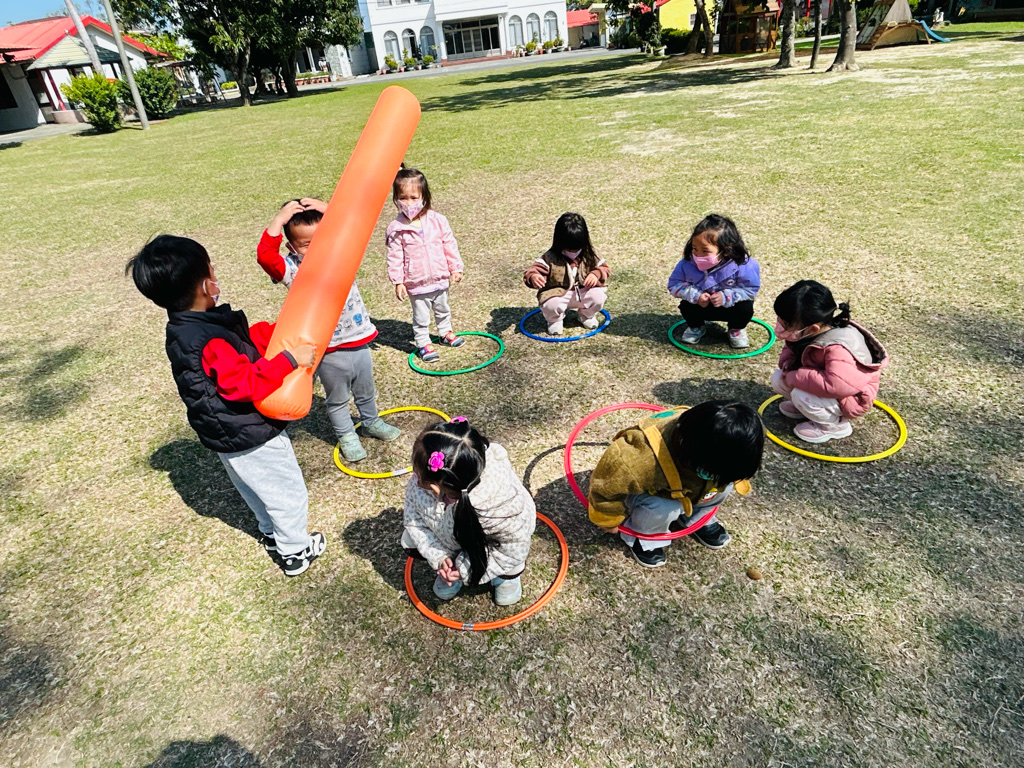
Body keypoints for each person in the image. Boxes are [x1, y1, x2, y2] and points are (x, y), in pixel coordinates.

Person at [126, 235, 326, 576]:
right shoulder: (208, 338)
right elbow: (243, 383)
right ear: (206, 285)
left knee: (254, 486)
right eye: (212, 270)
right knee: (284, 489)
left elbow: (238, 348)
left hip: (223, 431)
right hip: (248, 430)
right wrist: (289, 360)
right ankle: (295, 551)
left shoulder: (185, 327)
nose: (216, 276)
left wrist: (273, 335)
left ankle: (270, 532)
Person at [258, 199, 400, 462]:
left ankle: (371, 422)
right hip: (329, 350)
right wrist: (278, 221)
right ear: (292, 247)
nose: (316, 247)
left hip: (359, 341)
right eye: (306, 244)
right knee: (337, 399)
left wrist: (329, 210)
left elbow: (355, 225)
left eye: (322, 238)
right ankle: (347, 436)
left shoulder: (341, 255)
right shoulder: (292, 269)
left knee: (366, 390)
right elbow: (266, 257)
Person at [588, 401, 763, 568]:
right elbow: (606, 487)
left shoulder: (730, 451)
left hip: (696, 480)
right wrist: (608, 518)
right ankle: (645, 539)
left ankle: (697, 517)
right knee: (663, 508)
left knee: (721, 488)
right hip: (652, 490)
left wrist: (727, 476)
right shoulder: (640, 458)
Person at [402, 419, 536, 606]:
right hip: (450, 540)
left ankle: (506, 578)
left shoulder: (501, 507)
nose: (415, 480)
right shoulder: (425, 482)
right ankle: (451, 568)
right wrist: (439, 556)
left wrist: (465, 570)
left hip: (496, 547)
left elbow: (510, 550)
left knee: (512, 559)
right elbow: (414, 520)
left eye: (419, 476)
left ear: (436, 485)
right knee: (409, 539)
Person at [771, 280, 889, 444]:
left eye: (785, 324)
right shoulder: (804, 333)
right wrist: (788, 365)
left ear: (813, 328)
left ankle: (834, 426)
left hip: (849, 398)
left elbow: (836, 385)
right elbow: (792, 350)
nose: (780, 327)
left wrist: (794, 376)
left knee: (799, 394)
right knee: (778, 378)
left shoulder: (838, 348)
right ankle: (806, 408)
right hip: (820, 385)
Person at [385, 168, 465, 362]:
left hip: (439, 277)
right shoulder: (397, 229)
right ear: (396, 199)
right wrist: (398, 281)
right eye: (403, 198)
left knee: (443, 308)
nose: (409, 203)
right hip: (417, 282)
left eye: (414, 197)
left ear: (424, 197)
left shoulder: (438, 221)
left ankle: (445, 332)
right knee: (421, 317)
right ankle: (423, 343)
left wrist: (455, 267)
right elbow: (395, 257)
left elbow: (449, 244)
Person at [668, 214, 761, 349]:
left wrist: (726, 296)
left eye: (705, 251)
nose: (698, 255)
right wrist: (696, 295)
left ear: (726, 250)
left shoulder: (744, 265)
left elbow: (750, 290)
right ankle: (696, 326)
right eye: (694, 248)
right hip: (701, 305)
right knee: (686, 306)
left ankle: (736, 329)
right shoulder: (687, 263)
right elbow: (673, 284)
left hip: (731, 307)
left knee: (745, 309)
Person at [523, 212, 609, 335]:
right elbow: (534, 269)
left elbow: (604, 268)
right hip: (557, 294)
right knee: (551, 304)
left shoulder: (590, 254)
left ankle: (586, 315)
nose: (573, 252)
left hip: (584, 292)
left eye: (577, 248)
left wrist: (596, 274)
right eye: (568, 249)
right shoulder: (550, 257)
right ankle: (555, 320)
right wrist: (534, 276)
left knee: (598, 297)